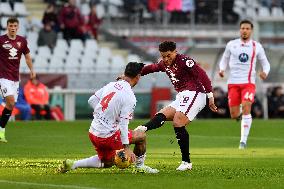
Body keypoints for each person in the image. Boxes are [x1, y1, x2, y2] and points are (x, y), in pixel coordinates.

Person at [60, 62, 159, 174]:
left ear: (125, 73)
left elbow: (91, 100)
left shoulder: (111, 85)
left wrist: (102, 114)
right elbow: (123, 124)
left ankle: (73, 164)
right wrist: (126, 148)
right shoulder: (130, 97)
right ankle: (140, 167)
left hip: (93, 132)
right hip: (108, 136)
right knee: (141, 135)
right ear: (138, 77)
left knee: (107, 162)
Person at [135, 41, 218, 171]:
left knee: (178, 121)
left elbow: (202, 75)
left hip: (195, 93)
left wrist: (210, 96)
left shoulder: (185, 61)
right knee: (161, 114)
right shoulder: (164, 64)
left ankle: (186, 162)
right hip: (182, 95)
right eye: (163, 56)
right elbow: (151, 68)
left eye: (169, 55)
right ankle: (142, 128)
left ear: (175, 52)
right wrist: (135, 73)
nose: (166, 59)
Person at [218, 19, 270, 149]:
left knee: (247, 107)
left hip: (248, 83)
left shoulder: (256, 46)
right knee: (234, 115)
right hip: (233, 83)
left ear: (251, 31)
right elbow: (224, 59)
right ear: (240, 30)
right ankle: (241, 112)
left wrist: (265, 72)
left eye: (247, 28)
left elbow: (265, 63)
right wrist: (221, 69)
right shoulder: (231, 44)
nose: (244, 30)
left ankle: (243, 141)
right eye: (242, 28)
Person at [0, 17, 36, 143]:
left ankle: (1, 129)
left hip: (15, 78)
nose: (13, 28)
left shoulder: (22, 41)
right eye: (11, 26)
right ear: (7, 26)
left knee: (11, 105)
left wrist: (32, 70)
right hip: (3, 77)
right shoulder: (1, 40)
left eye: (15, 26)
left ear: (18, 27)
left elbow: (27, 57)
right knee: (10, 102)